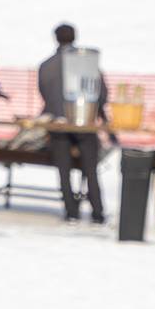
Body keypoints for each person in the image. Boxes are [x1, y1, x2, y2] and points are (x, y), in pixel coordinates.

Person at [38, 23, 109, 225]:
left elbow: (43, 93)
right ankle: (97, 212)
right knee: (91, 170)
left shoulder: (46, 65)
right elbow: (101, 94)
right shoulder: (87, 63)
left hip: (58, 125)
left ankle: (71, 211)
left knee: (64, 171)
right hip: (85, 124)